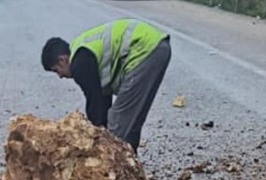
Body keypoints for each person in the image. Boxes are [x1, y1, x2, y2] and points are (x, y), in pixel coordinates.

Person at [41, 20, 172, 153]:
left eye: (57, 70)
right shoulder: (84, 54)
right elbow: (102, 101)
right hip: (157, 46)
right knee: (131, 121)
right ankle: (131, 166)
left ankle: (111, 168)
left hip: (144, 50)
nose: (60, 76)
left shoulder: (79, 62)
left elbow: (94, 102)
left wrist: (95, 140)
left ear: (63, 60)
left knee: (116, 124)